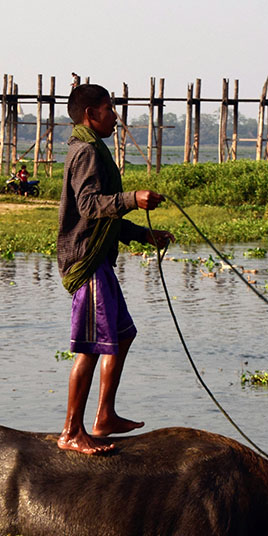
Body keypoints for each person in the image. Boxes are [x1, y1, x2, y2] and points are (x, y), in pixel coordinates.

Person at [57, 83, 173, 454]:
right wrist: (133, 198)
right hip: (87, 262)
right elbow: (91, 206)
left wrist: (143, 235)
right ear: (91, 114)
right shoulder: (86, 151)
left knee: (122, 334)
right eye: (109, 108)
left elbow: (106, 218)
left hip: (100, 260)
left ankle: (104, 414)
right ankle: (71, 432)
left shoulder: (93, 148)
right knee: (90, 347)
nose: (115, 114)